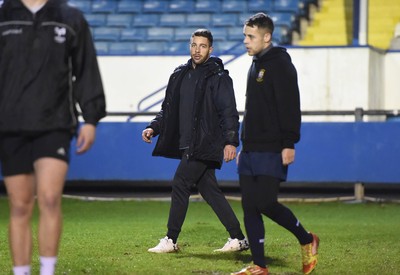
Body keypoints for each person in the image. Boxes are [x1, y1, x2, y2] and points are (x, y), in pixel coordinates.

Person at [0, 0, 106, 274]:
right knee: (20, 204)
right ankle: (20, 271)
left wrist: (91, 118)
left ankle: (48, 271)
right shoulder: (4, 15)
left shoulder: (70, 18)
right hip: (11, 125)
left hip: (55, 123)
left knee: (49, 198)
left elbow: (86, 70)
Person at [142, 29, 249, 254]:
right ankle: (238, 238)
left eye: (202, 46)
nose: (197, 50)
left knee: (180, 182)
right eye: (194, 45)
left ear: (210, 49)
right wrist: (154, 127)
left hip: (205, 144)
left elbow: (229, 111)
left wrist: (231, 141)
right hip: (187, 143)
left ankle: (171, 239)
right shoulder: (180, 74)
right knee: (210, 191)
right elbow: (168, 110)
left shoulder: (218, 77)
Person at [231, 13, 319, 275]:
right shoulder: (255, 64)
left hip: (272, 147)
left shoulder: (280, 63)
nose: (245, 41)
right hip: (251, 148)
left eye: (250, 36)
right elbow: (252, 109)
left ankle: (307, 239)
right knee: (249, 206)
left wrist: (289, 142)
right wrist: (242, 144)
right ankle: (259, 266)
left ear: (266, 37)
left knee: (266, 203)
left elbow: (290, 105)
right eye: (245, 36)